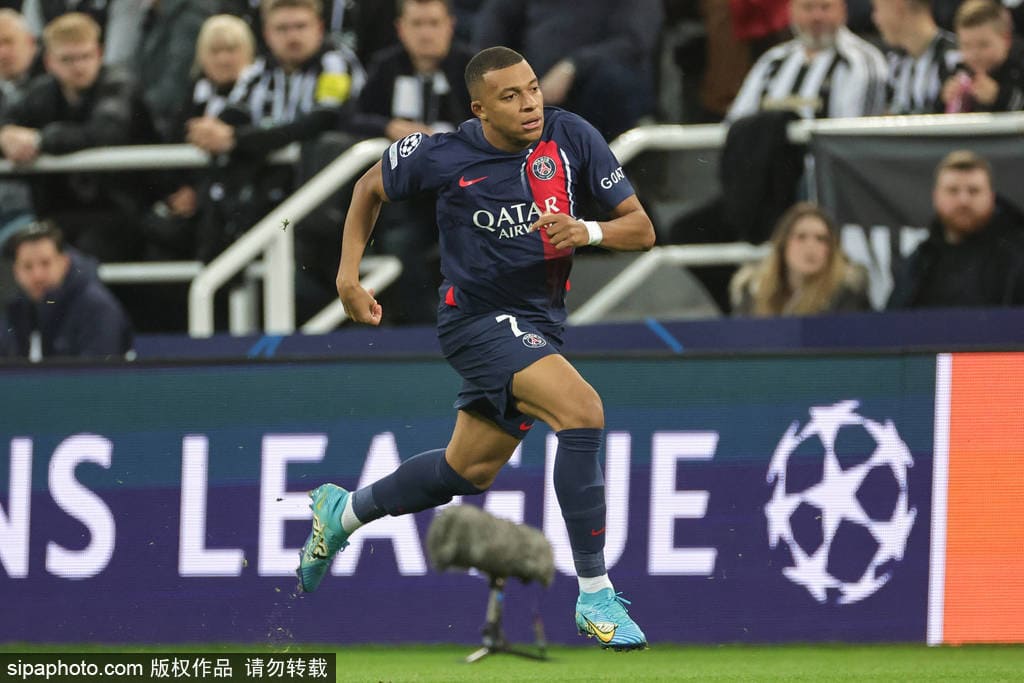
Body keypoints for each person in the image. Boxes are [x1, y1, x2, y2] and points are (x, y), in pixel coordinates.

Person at [296, 46, 655, 651]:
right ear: (480, 109)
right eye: (510, 96)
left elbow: (641, 229)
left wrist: (588, 230)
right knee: (582, 411)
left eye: (533, 88)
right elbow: (367, 187)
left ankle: (344, 512)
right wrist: (347, 277)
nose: (530, 103)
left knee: (467, 471)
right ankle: (595, 593)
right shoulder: (443, 153)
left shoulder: (572, 135)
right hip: (476, 320)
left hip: (540, 323)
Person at [0, 11, 158, 263]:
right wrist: (6, 137)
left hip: (119, 211)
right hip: (58, 213)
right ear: (49, 61)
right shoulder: (41, 93)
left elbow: (105, 131)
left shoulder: (119, 84)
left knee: (81, 254)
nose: (78, 66)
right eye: (68, 59)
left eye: (85, 56)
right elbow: (11, 122)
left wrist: (41, 141)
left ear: (100, 53)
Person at [353, 0, 474, 324]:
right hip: (406, 197)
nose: (426, 33)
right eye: (417, 24)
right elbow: (351, 117)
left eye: (433, 23)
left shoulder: (471, 67)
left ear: (450, 25)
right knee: (399, 241)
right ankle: (423, 327)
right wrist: (388, 127)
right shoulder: (386, 66)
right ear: (400, 29)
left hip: (466, 191)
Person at [473, 0, 664, 139]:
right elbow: (494, 28)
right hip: (533, 89)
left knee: (610, 79)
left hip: (600, 91)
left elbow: (632, 41)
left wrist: (573, 66)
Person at [888, 150, 1024, 309]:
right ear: (936, 196)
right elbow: (893, 319)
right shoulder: (919, 263)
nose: (963, 201)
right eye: (953, 190)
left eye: (974, 191)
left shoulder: (1016, 258)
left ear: (991, 197)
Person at [727, 0, 888, 121]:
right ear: (791, 12)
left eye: (825, 7)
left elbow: (853, 135)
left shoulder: (861, 61)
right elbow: (737, 122)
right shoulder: (772, 61)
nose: (816, 17)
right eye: (807, 7)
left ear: (843, 10)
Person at [1, 220, 132, 360]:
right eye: (27, 266)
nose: (37, 275)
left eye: (45, 263)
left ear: (64, 262)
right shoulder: (14, 311)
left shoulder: (97, 308)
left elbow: (98, 371)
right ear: (16, 271)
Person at [730, 202, 870, 315]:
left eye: (821, 239)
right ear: (783, 244)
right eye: (801, 237)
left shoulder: (846, 294)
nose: (811, 247)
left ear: (832, 249)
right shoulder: (753, 291)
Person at [871, 0, 962, 114]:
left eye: (877, 9)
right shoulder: (894, 63)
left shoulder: (956, 59)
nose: (875, 19)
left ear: (897, 7)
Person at [940, 0, 1024, 113]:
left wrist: (999, 97)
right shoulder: (958, 70)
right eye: (966, 45)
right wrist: (945, 99)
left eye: (983, 45)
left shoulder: (1020, 67)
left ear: (1006, 40)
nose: (974, 54)